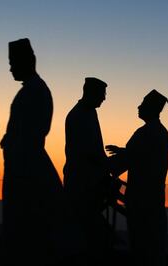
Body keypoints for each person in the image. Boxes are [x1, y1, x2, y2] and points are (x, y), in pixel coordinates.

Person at [0, 38, 65, 265]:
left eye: (12, 62)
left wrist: (10, 143)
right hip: (23, 172)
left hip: (26, 177)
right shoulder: (32, 91)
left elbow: (28, 136)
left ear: (28, 61)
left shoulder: (35, 92)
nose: (10, 68)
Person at [106, 89, 168, 266]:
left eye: (143, 104)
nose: (139, 107)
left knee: (142, 249)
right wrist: (125, 152)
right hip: (153, 201)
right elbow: (140, 156)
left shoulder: (145, 133)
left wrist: (100, 164)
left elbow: (132, 159)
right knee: (152, 248)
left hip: (142, 203)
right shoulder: (160, 133)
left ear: (152, 108)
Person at [63, 77, 111, 264]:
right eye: (102, 94)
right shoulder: (78, 116)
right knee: (83, 228)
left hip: (89, 181)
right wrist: (107, 166)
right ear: (91, 93)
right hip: (82, 183)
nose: (104, 99)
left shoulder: (88, 113)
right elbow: (87, 152)